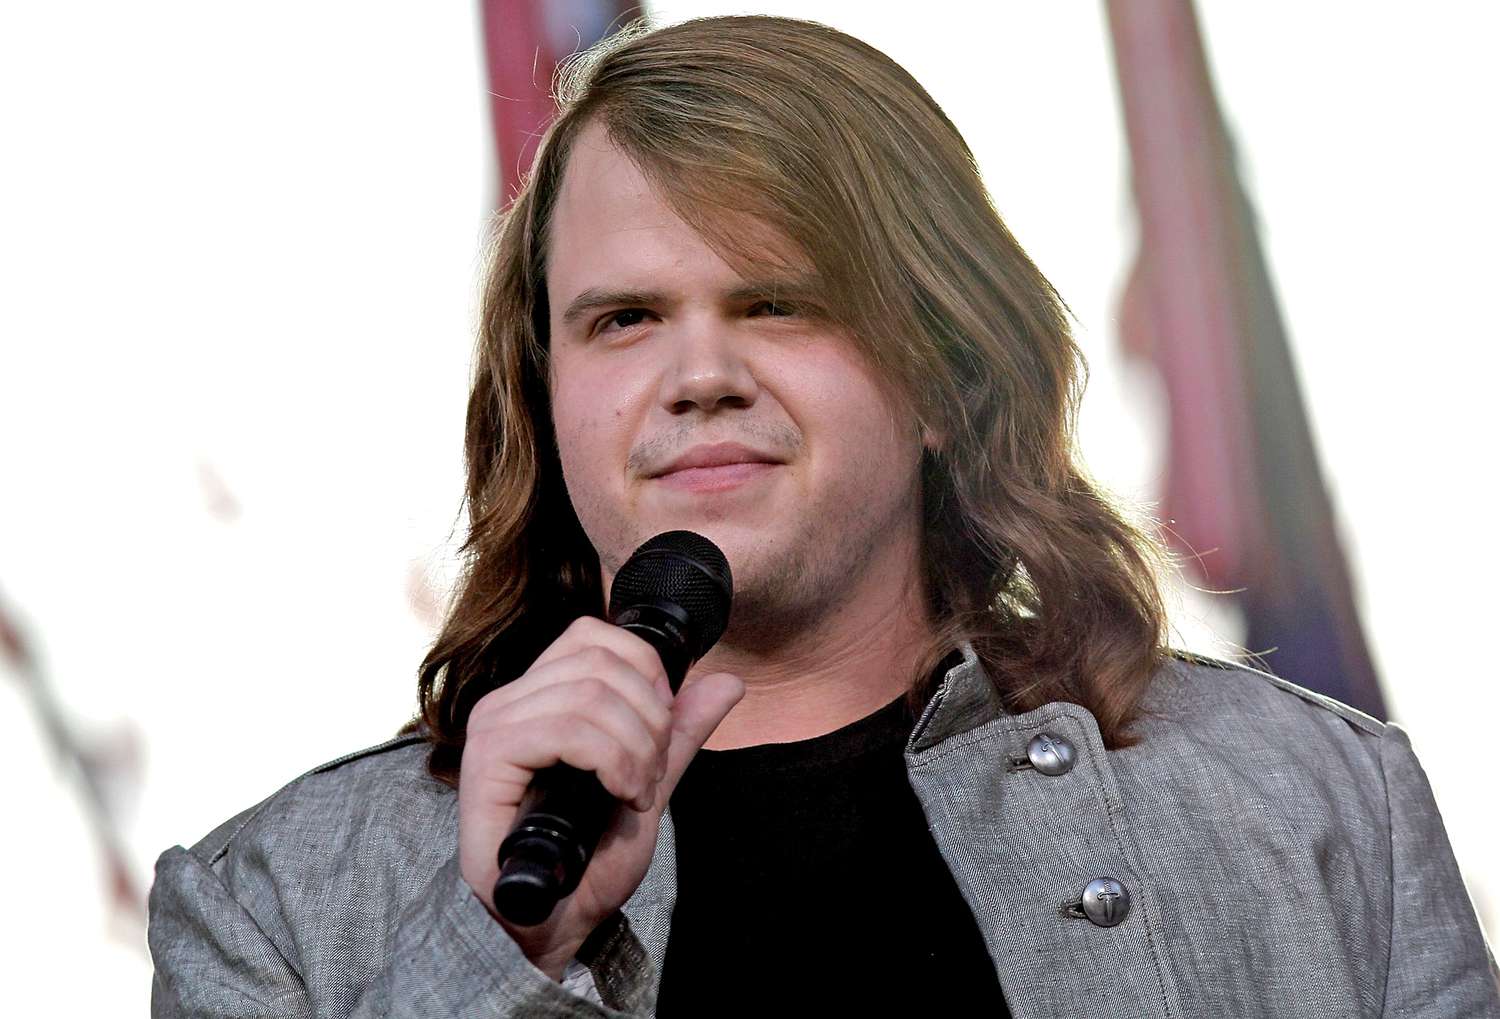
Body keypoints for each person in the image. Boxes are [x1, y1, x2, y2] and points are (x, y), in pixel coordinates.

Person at [146, 14, 1499, 1018]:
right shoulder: (272, 910)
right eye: (623, 320)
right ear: (546, 398)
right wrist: (497, 959)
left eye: (777, 302)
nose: (699, 377)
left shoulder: (1322, 811)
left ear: (942, 373)